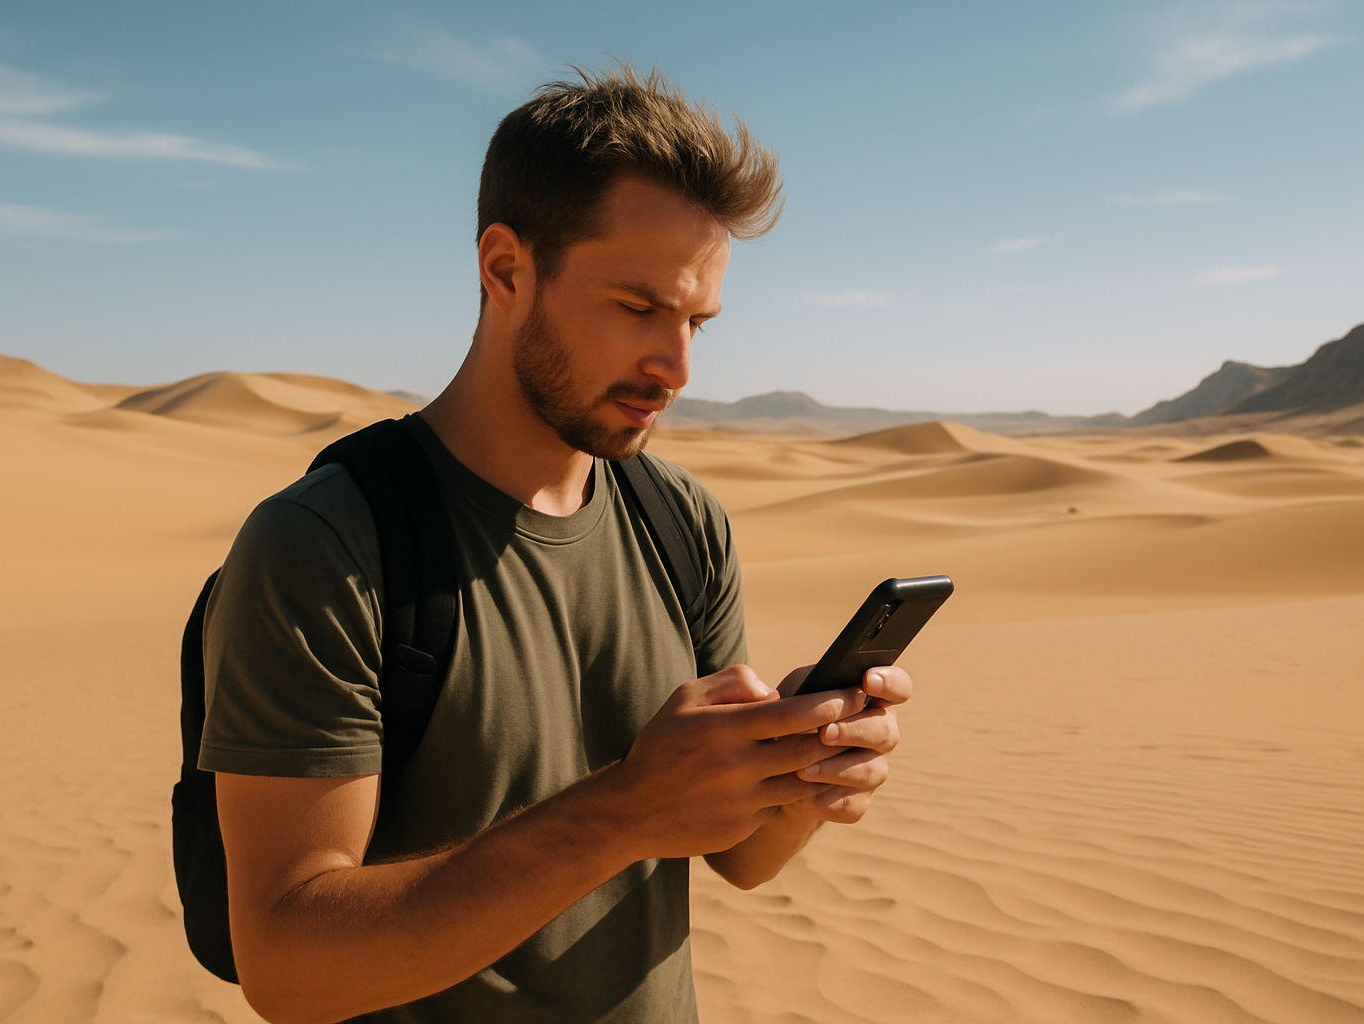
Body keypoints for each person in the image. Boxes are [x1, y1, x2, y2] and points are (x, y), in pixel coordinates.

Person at [199, 65, 913, 1024]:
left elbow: (740, 857)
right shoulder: (326, 543)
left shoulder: (679, 520)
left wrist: (802, 773)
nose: (678, 366)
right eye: (637, 308)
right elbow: (286, 965)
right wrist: (624, 810)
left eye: (695, 320)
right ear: (506, 270)